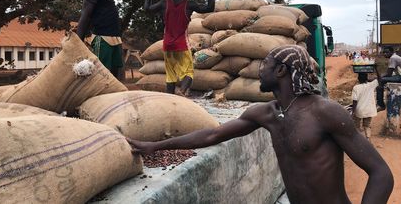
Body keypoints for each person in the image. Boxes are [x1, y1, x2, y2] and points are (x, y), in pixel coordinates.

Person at [128, 45, 394, 203]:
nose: (259, 69)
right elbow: (212, 135)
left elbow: (381, 173)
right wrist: (156, 146)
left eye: (264, 64)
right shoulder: (265, 113)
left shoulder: (325, 112)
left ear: (280, 71)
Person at [144, 0, 215, 96]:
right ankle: (182, 91)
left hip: (167, 45)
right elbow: (209, 7)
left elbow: (147, 8)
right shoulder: (189, 5)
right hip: (182, 44)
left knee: (170, 74)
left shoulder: (164, 4)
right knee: (189, 72)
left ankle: (170, 98)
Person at [76, 0, 123, 78]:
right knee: (101, 75)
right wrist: (78, 41)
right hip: (103, 39)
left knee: (114, 76)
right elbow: (85, 15)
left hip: (115, 38)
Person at [352, 72, 380, 141]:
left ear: (358, 79)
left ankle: (358, 140)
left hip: (359, 110)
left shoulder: (356, 87)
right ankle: (368, 139)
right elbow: (379, 78)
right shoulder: (371, 85)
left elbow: (355, 101)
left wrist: (353, 111)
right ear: (367, 78)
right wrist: (376, 69)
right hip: (369, 110)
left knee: (357, 126)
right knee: (367, 125)